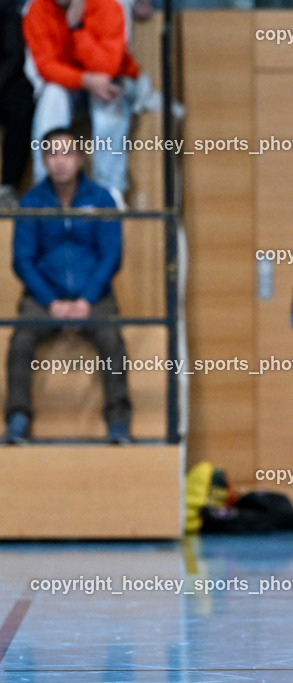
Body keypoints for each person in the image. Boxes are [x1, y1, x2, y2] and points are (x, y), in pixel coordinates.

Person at [4, 126, 131, 444]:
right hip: (42, 298)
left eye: (68, 153)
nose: (60, 161)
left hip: (95, 297)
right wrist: (52, 302)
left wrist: (86, 300)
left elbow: (111, 255)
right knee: (19, 343)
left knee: (112, 342)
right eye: (52, 154)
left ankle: (118, 422)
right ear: (44, 161)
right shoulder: (32, 201)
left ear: (81, 158)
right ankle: (18, 419)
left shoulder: (102, 198)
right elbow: (23, 260)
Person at [22, 0, 140, 196]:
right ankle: (44, 193)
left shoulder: (108, 5)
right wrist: (84, 80)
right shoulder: (38, 9)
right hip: (72, 85)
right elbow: (46, 67)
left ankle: (110, 193)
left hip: (112, 81)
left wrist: (77, 28)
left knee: (107, 100)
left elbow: (108, 67)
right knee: (52, 95)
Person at [0, 0, 35, 208]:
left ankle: (8, 188)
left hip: (5, 82)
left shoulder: (5, 7)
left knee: (21, 105)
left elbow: (14, 54)